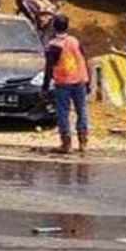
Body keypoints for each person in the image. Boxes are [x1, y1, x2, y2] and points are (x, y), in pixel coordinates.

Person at [42, 14, 91, 154]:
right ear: (67, 26)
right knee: (81, 110)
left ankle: (66, 143)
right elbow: (83, 60)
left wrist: (45, 86)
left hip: (63, 82)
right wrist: (87, 81)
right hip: (79, 80)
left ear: (54, 27)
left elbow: (49, 67)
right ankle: (83, 142)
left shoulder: (53, 45)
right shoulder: (75, 41)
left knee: (63, 112)